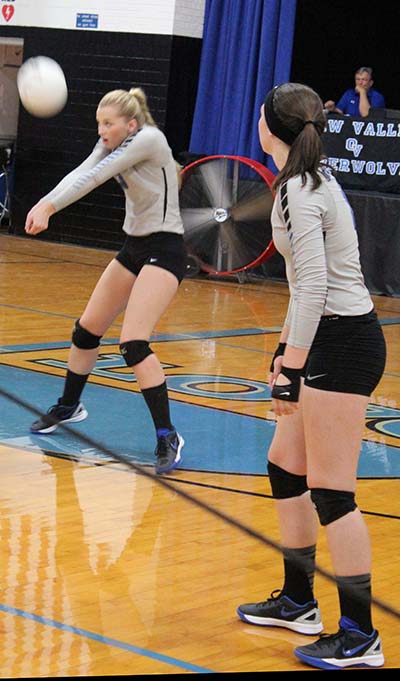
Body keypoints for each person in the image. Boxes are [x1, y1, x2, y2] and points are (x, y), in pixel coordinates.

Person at [236, 82, 386, 670]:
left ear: (270, 128)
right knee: (284, 465)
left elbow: (319, 288)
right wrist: (283, 349)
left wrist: (290, 371)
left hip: (342, 343)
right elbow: (305, 286)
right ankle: (298, 600)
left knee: (332, 492)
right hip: (326, 334)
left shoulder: (300, 189)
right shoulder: (304, 182)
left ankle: (360, 636)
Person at [25, 87, 185, 475]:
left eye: (107, 124)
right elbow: (81, 171)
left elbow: (97, 177)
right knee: (86, 331)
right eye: (98, 123)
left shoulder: (148, 139)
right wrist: (44, 201)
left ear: (130, 124)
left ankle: (168, 435)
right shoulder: (114, 141)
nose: (101, 131)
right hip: (134, 247)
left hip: (165, 250)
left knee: (132, 343)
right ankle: (69, 406)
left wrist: (50, 206)